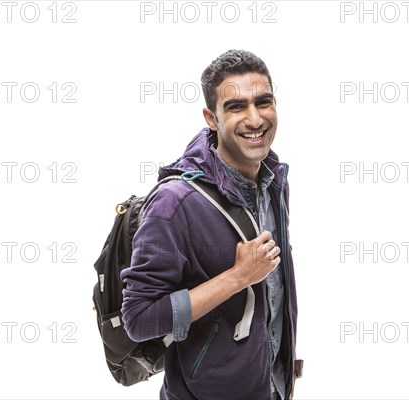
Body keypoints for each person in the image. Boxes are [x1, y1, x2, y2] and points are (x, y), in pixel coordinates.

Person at [121, 49, 300, 400]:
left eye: (263, 102)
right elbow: (138, 319)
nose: (255, 118)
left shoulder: (274, 181)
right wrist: (237, 277)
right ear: (211, 118)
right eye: (236, 107)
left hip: (271, 388)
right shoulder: (174, 203)